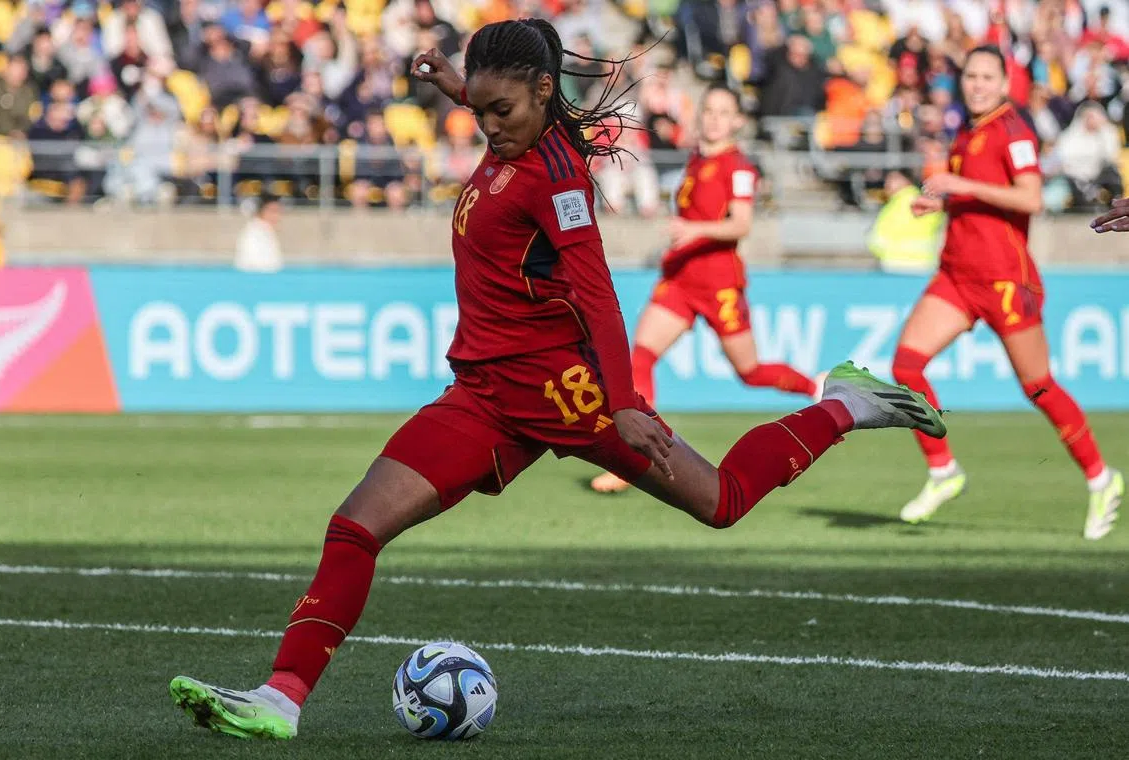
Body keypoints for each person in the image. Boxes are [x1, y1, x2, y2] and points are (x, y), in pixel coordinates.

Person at [167, 19, 946, 741]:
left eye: (500, 109)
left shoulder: (555, 179)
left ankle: (846, 404)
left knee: (721, 503)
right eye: (478, 112)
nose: (489, 125)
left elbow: (598, 294)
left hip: (566, 394)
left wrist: (627, 403)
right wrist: (451, 83)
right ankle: (281, 699)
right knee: (355, 526)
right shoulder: (509, 136)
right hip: (481, 397)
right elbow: (491, 111)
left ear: (543, 92)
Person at [894, 45, 1122, 538]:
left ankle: (1101, 478)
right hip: (956, 275)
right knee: (906, 366)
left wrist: (960, 186)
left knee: (1038, 386)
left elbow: (1031, 197)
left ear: (1003, 84)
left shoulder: (1013, 130)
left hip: (1003, 280)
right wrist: (941, 205)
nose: (975, 84)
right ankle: (943, 470)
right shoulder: (968, 131)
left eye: (985, 77)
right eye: (969, 75)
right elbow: (973, 194)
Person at [590, 85, 823, 494]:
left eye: (723, 112)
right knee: (639, 356)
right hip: (681, 279)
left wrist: (694, 229)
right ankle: (638, 456)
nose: (714, 118)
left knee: (750, 373)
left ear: (737, 121)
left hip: (719, 284)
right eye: (709, 110)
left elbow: (741, 224)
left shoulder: (738, 168)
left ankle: (814, 388)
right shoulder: (697, 159)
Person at [235, 192, 284, 273]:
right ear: (261, 211)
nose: (277, 216)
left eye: (278, 211)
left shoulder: (266, 232)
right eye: (273, 211)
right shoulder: (254, 234)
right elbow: (254, 265)